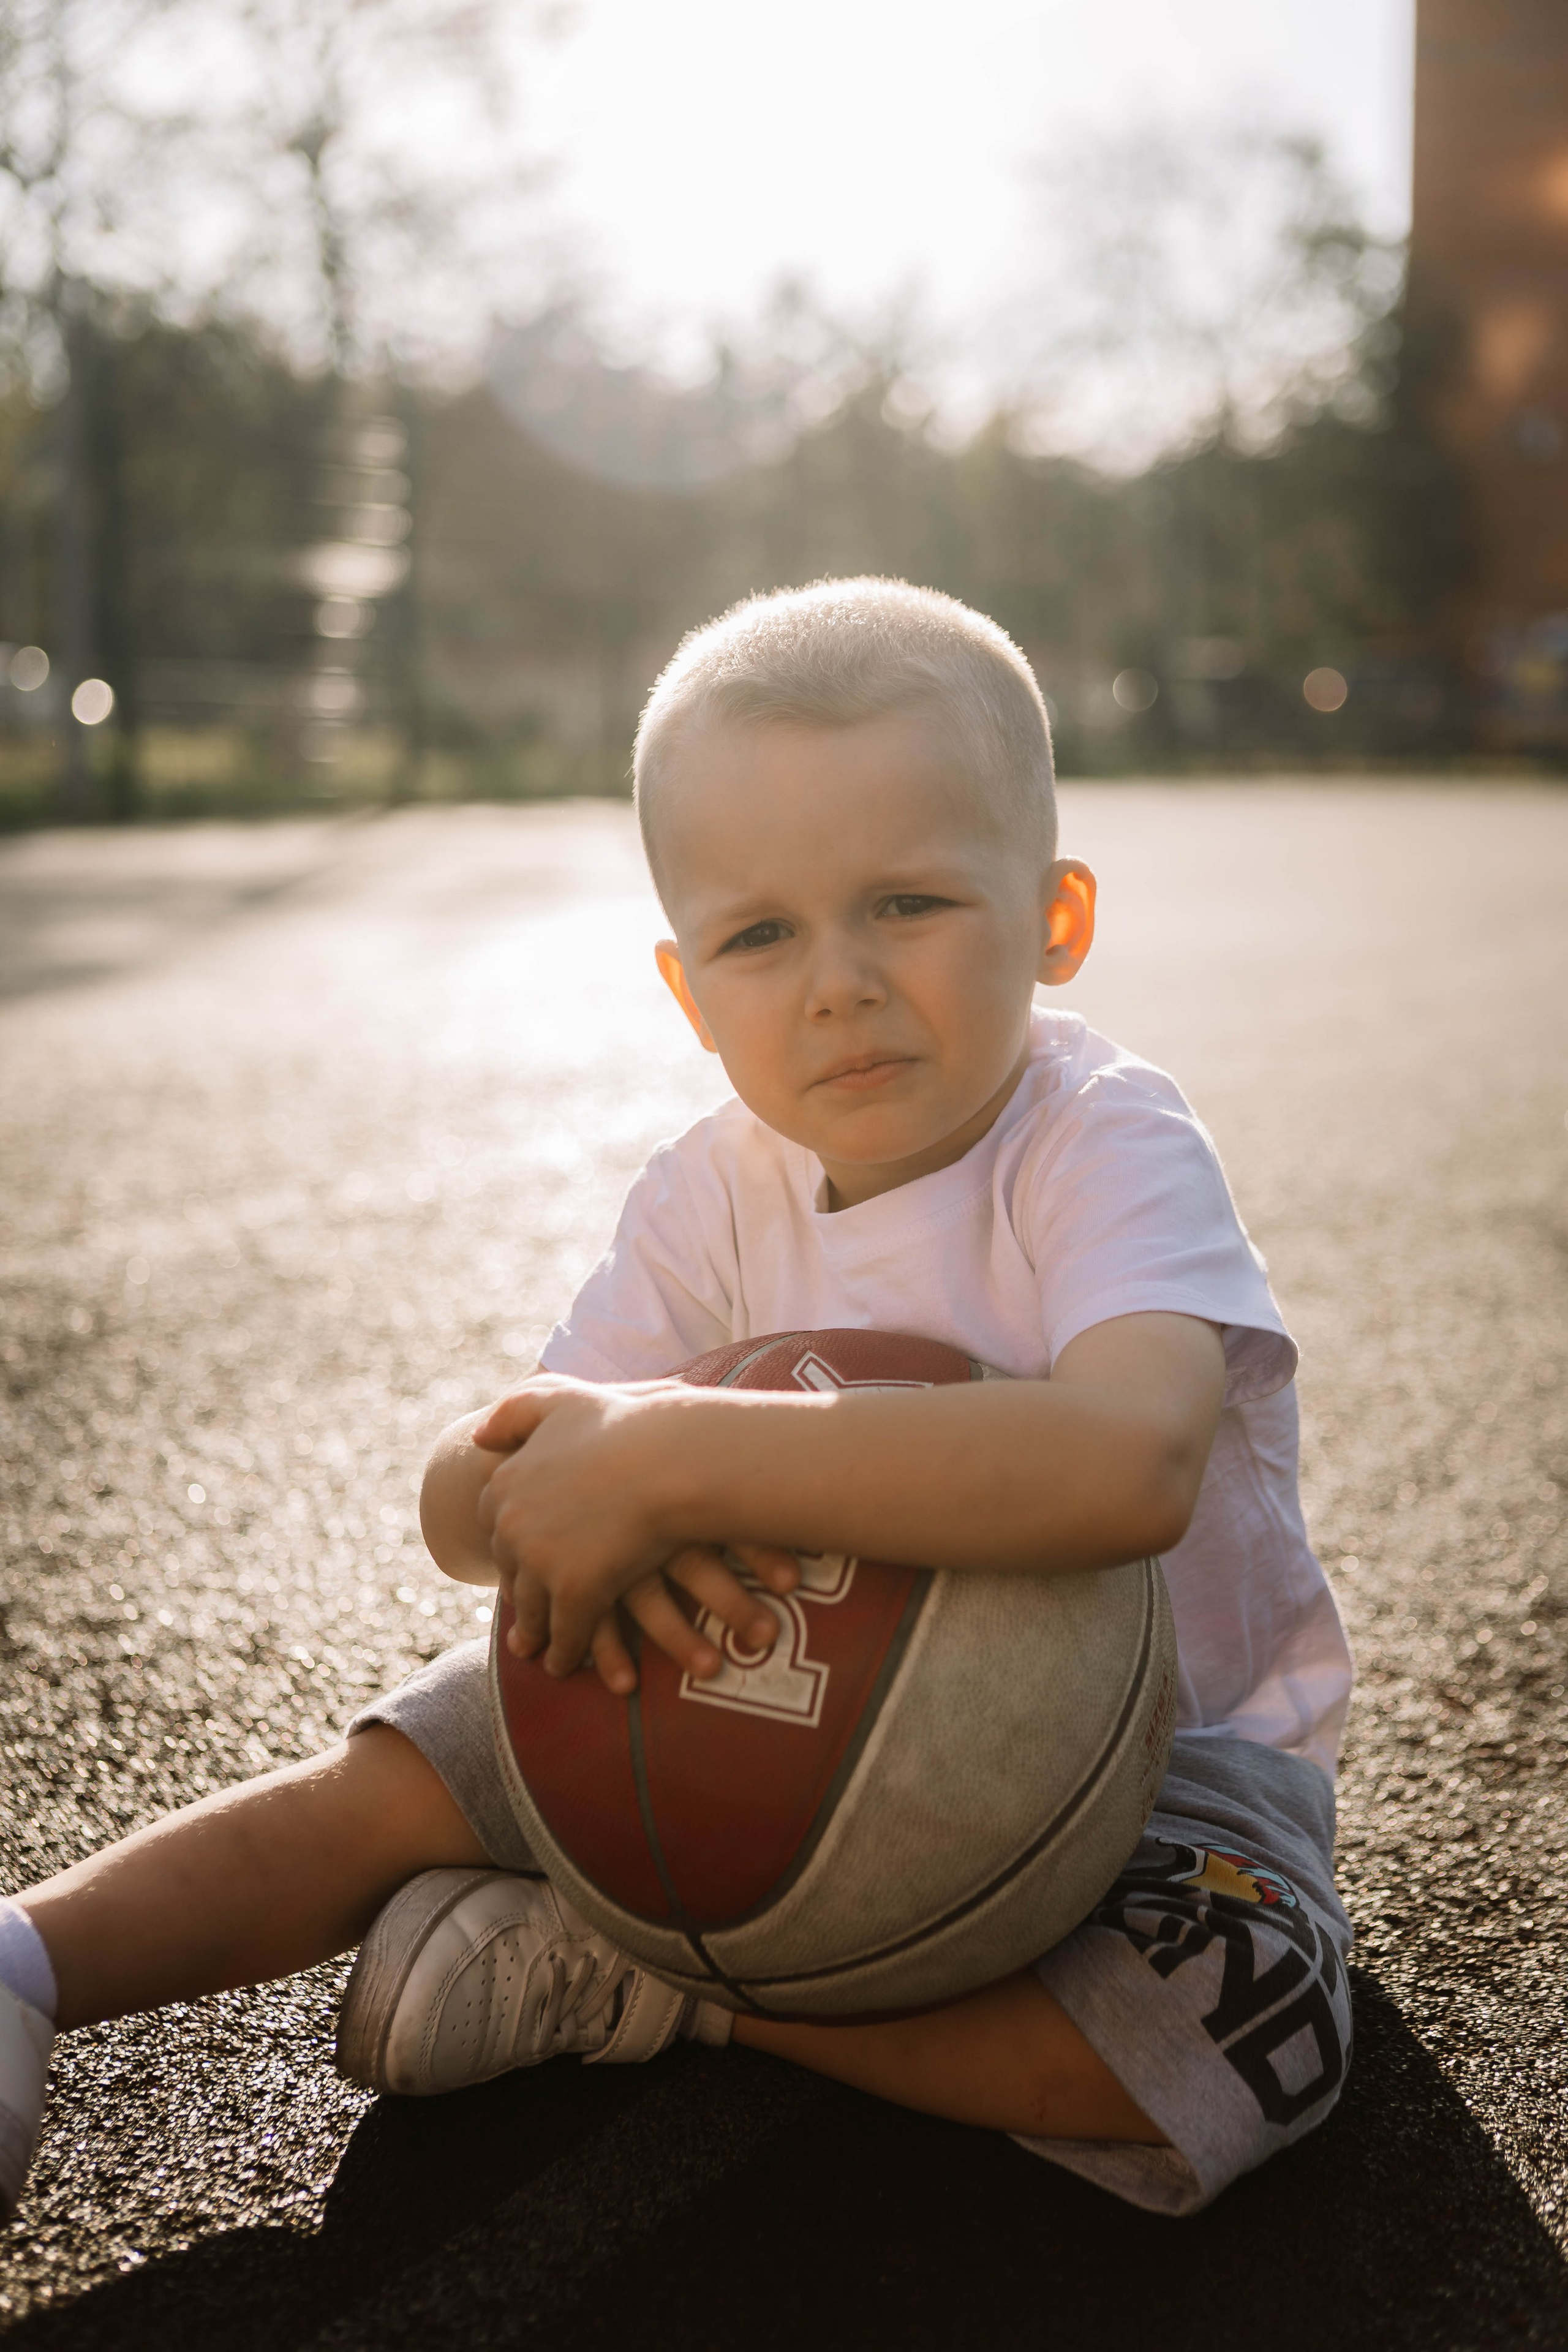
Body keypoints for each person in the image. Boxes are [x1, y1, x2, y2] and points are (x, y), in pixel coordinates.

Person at [0, 579, 1354, 2222]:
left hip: (1150, 1759)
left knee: (1227, 2050)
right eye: (762, 936)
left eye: (909, 902)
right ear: (688, 991)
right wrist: (512, 1488)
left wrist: (691, 1453)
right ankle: (27, 1961)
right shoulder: (709, 1193)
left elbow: (1133, 1463)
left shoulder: (1103, 1144)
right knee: (406, 1774)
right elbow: (485, 1481)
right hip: (733, 1685)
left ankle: (664, 1983)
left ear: (1056, 919)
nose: (838, 982)